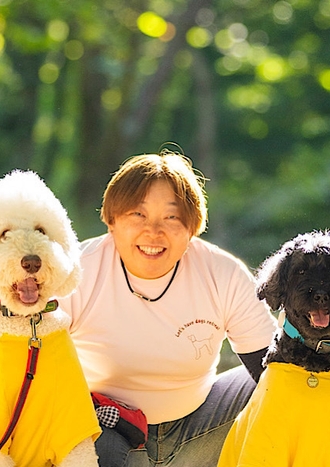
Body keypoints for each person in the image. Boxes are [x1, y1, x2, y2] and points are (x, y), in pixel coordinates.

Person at [58, 149, 277, 467]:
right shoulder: (75, 270)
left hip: (201, 430)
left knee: (293, 378)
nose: (153, 231)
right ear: (112, 221)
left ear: (191, 227)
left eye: (171, 217)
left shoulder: (222, 272)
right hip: (103, 433)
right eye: (137, 214)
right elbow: (27, 360)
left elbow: (269, 366)